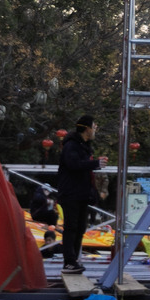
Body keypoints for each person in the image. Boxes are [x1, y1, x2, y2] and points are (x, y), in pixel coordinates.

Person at [55, 115, 103, 274]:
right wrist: (95, 163)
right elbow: (74, 164)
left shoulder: (83, 145)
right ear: (87, 128)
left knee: (80, 227)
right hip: (71, 193)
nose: (95, 129)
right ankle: (69, 261)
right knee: (71, 227)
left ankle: (73, 260)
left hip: (81, 194)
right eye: (94, 126)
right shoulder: (71, 145)